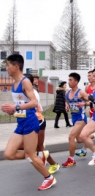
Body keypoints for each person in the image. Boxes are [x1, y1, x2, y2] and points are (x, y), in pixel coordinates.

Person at [1, 54, 56, 190]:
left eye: (8, 65)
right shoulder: (14, 84)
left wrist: (16, 107)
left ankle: (49, 178)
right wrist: (13, 111)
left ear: (16, 67)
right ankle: (35, 155)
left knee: (29, 155)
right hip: (21, 123)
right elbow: (22, 104)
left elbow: (34, 102)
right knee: (8, 154)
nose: (6, 68)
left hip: (31, 122)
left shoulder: (25, 82)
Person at [24, 73, 60, 174]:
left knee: (39, 147)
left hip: (38, 121)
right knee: (36, 147)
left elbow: (31, 107)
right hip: (28, 122)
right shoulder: (22, 92)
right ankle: (46, 161)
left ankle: (51, 165)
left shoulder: (33, 93)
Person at [62, 73, 90, 167]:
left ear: (76, 82)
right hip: (74, 118)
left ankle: (71, 159)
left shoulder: (81, 92)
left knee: (71, 137)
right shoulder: (67, 93)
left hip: (81, 118)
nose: (69, 82)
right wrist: (66, 106)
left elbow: (90, 101)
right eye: (68, 80)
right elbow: (67, 101)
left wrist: (84, 104)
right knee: (79, 139)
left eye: (71, 80)